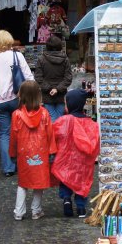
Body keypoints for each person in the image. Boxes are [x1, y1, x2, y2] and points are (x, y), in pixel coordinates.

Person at [0, 30, 34, 177]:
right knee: (22, 132)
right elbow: (29, 77)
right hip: (17, 99)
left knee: (4, 135)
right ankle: (23, 164)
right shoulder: (17, 55)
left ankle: (8, 168)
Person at [9, 80, 56, 220]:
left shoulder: (16, 115)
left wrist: (12, 153)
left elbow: (13, 136)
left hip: (24, 153)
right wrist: (52, 151)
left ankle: (19, 211)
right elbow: (50, 134)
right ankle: (36, 210)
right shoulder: (44, 114)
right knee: (38, 182)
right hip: (41, 151)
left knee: (23, 182)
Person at [52, 89, 100, 218]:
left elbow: (53, 136)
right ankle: (81, 207)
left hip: (66, 159)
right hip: (83, 163)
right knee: (82, 182)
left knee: (65, 179)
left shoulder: (64, 120)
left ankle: (66, 199)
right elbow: (95, 144)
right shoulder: (92, 124)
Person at [34, 35, 72, 122]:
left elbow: (38, 78)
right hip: (61, 95)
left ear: (47, 46)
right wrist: (57, 89)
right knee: (60, 120)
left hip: (47, 95)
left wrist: (50, 88)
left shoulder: (41, 59)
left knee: (52, 119)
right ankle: (58, 135)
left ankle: (53, 135)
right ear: (59, 46)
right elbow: (68, 78)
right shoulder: (65, 59)